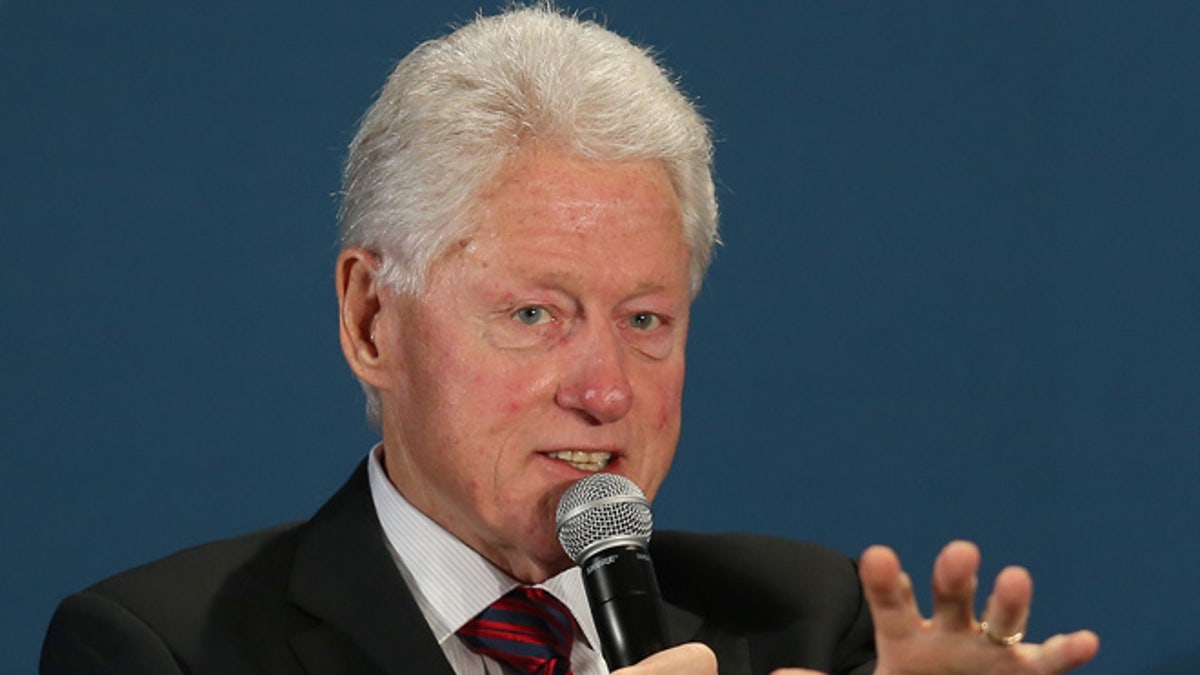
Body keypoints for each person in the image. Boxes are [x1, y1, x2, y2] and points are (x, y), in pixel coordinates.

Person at [41, 5, 1099, 674]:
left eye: (645, 321)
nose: (603, 391)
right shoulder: (159, 649)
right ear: (372, 320)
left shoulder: (806, 625)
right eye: (534, 314)